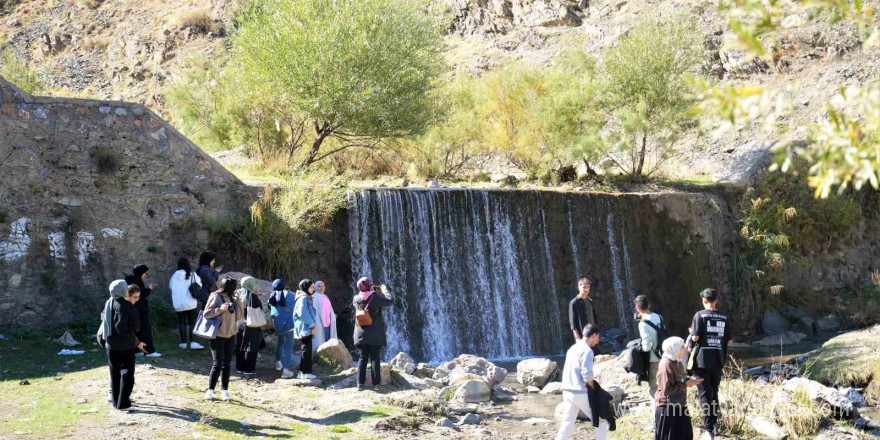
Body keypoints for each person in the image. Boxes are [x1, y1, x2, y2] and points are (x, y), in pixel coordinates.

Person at [689, 288, 732, 440]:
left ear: (704, 301)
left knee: (705, 395)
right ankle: (714, 424)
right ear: (717, 300)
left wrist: (692, 332)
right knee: (714, 392)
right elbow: (729, 340)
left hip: (701, 361)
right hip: (718, 360)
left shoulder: (699, 315)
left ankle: (709, 430)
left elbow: (694, 338)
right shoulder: (724, 317)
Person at [556, 324, 609, 440]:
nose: (598, 340)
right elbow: (587, 377)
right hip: (580, 392)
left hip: (567, 391)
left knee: (567, 423)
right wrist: (595, 389)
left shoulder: (573, 348)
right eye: (598, 337)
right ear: (593, 335)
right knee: (600, 420)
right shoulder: (587, 351)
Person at [103, 281, 146, 411]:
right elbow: (131, 325)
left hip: (110, 345)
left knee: (115, 374)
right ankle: (123, 404)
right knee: (128, 375)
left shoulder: (110, 302)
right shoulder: (125, 305)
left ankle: (116, 402)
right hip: (124, 345)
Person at [654, 336, 703, 440]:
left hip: (679, 405)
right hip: (667, 408)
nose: (684, 349)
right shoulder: (666, 365)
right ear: (674, 349)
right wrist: (685, 384)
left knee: (685, 435)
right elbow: (666, 390)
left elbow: (679, 380)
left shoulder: (677, 362)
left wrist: (689, 380)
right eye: (681, 347)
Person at [204, 277, 243, 401]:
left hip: (231, 334)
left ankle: (224, 390)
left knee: (227, 363)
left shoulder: (234, 298)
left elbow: (239, 316)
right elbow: (207, 313)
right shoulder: (215, 296)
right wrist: (220, 309)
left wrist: (239, 302)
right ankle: (210, 390)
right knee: (218, 363)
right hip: (217, 335)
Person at [352, 277, 394, 391]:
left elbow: (364, 300)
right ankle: (376, 385)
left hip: (360, 333)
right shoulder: (375, 297)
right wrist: (384, 290)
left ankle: (360, 384)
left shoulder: (356, 298)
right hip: (375, 333)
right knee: (375, 358)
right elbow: (390, 301)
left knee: (362, 358)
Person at [125, 264, 161, 358]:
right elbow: (140, 295)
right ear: (141, 272)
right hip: (140, 310)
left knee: (137, 330)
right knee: (145, 329)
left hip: (134, 309)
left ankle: (137, 350)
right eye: (145, 273)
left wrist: (148, 289)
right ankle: (149, 351)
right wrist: (149, 289)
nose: (146, 275)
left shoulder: (132, 281)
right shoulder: (136, 281)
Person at [635, 295, 665, 403]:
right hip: (664, 356)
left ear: (637, 308)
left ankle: (658, 415)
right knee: (665, 384)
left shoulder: (642, 324)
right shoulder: (659, 317)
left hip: (653, 360)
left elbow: (646, 346)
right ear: (649, 305)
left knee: (654, 387)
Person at [170, 257, 204, 350]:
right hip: (190, 302)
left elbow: (171, 287)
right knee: (192, 322)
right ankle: (193, 342)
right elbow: (199, 285)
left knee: (181, 322)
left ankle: (183, 343)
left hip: (178, 303)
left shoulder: (174, 276)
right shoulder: (192, 274)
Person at [268, 279, 297, 379]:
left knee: (280, 342)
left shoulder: (272, 295)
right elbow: (295, 308)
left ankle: (278, 363)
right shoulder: (289, 295)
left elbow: (270, 307)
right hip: (289, 325)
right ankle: (286, 370)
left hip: (278, 325)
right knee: (288, 347)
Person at [235, 276, 263, 375]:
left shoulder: (236, 293)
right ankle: (248, 369)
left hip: (239, 324)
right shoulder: (251, 295)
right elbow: (259, 308)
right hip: (251, 324)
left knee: (240, 345)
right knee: (251, 346)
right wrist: (258, 298)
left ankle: (239, 367)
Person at [293, 279, 317, 380]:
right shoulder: (303, 298)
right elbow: (302, 313)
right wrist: (311, 325)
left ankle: (302, 372)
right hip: (305, 327)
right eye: (311, 287)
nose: (313, 289)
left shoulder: (304, 297)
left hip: (305, 327)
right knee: (306, 350)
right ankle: (306, 372)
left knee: (305, 349)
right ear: (306, 287)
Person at [312, 280, 337, 350]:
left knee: (328, 344)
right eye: (319, 286)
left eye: (323, 286)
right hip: (320, 325)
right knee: (321, 345)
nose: (322, 288)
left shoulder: (326, 297)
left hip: (329, 325)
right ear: (316, 288)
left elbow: (330, 310)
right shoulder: (313, 297)